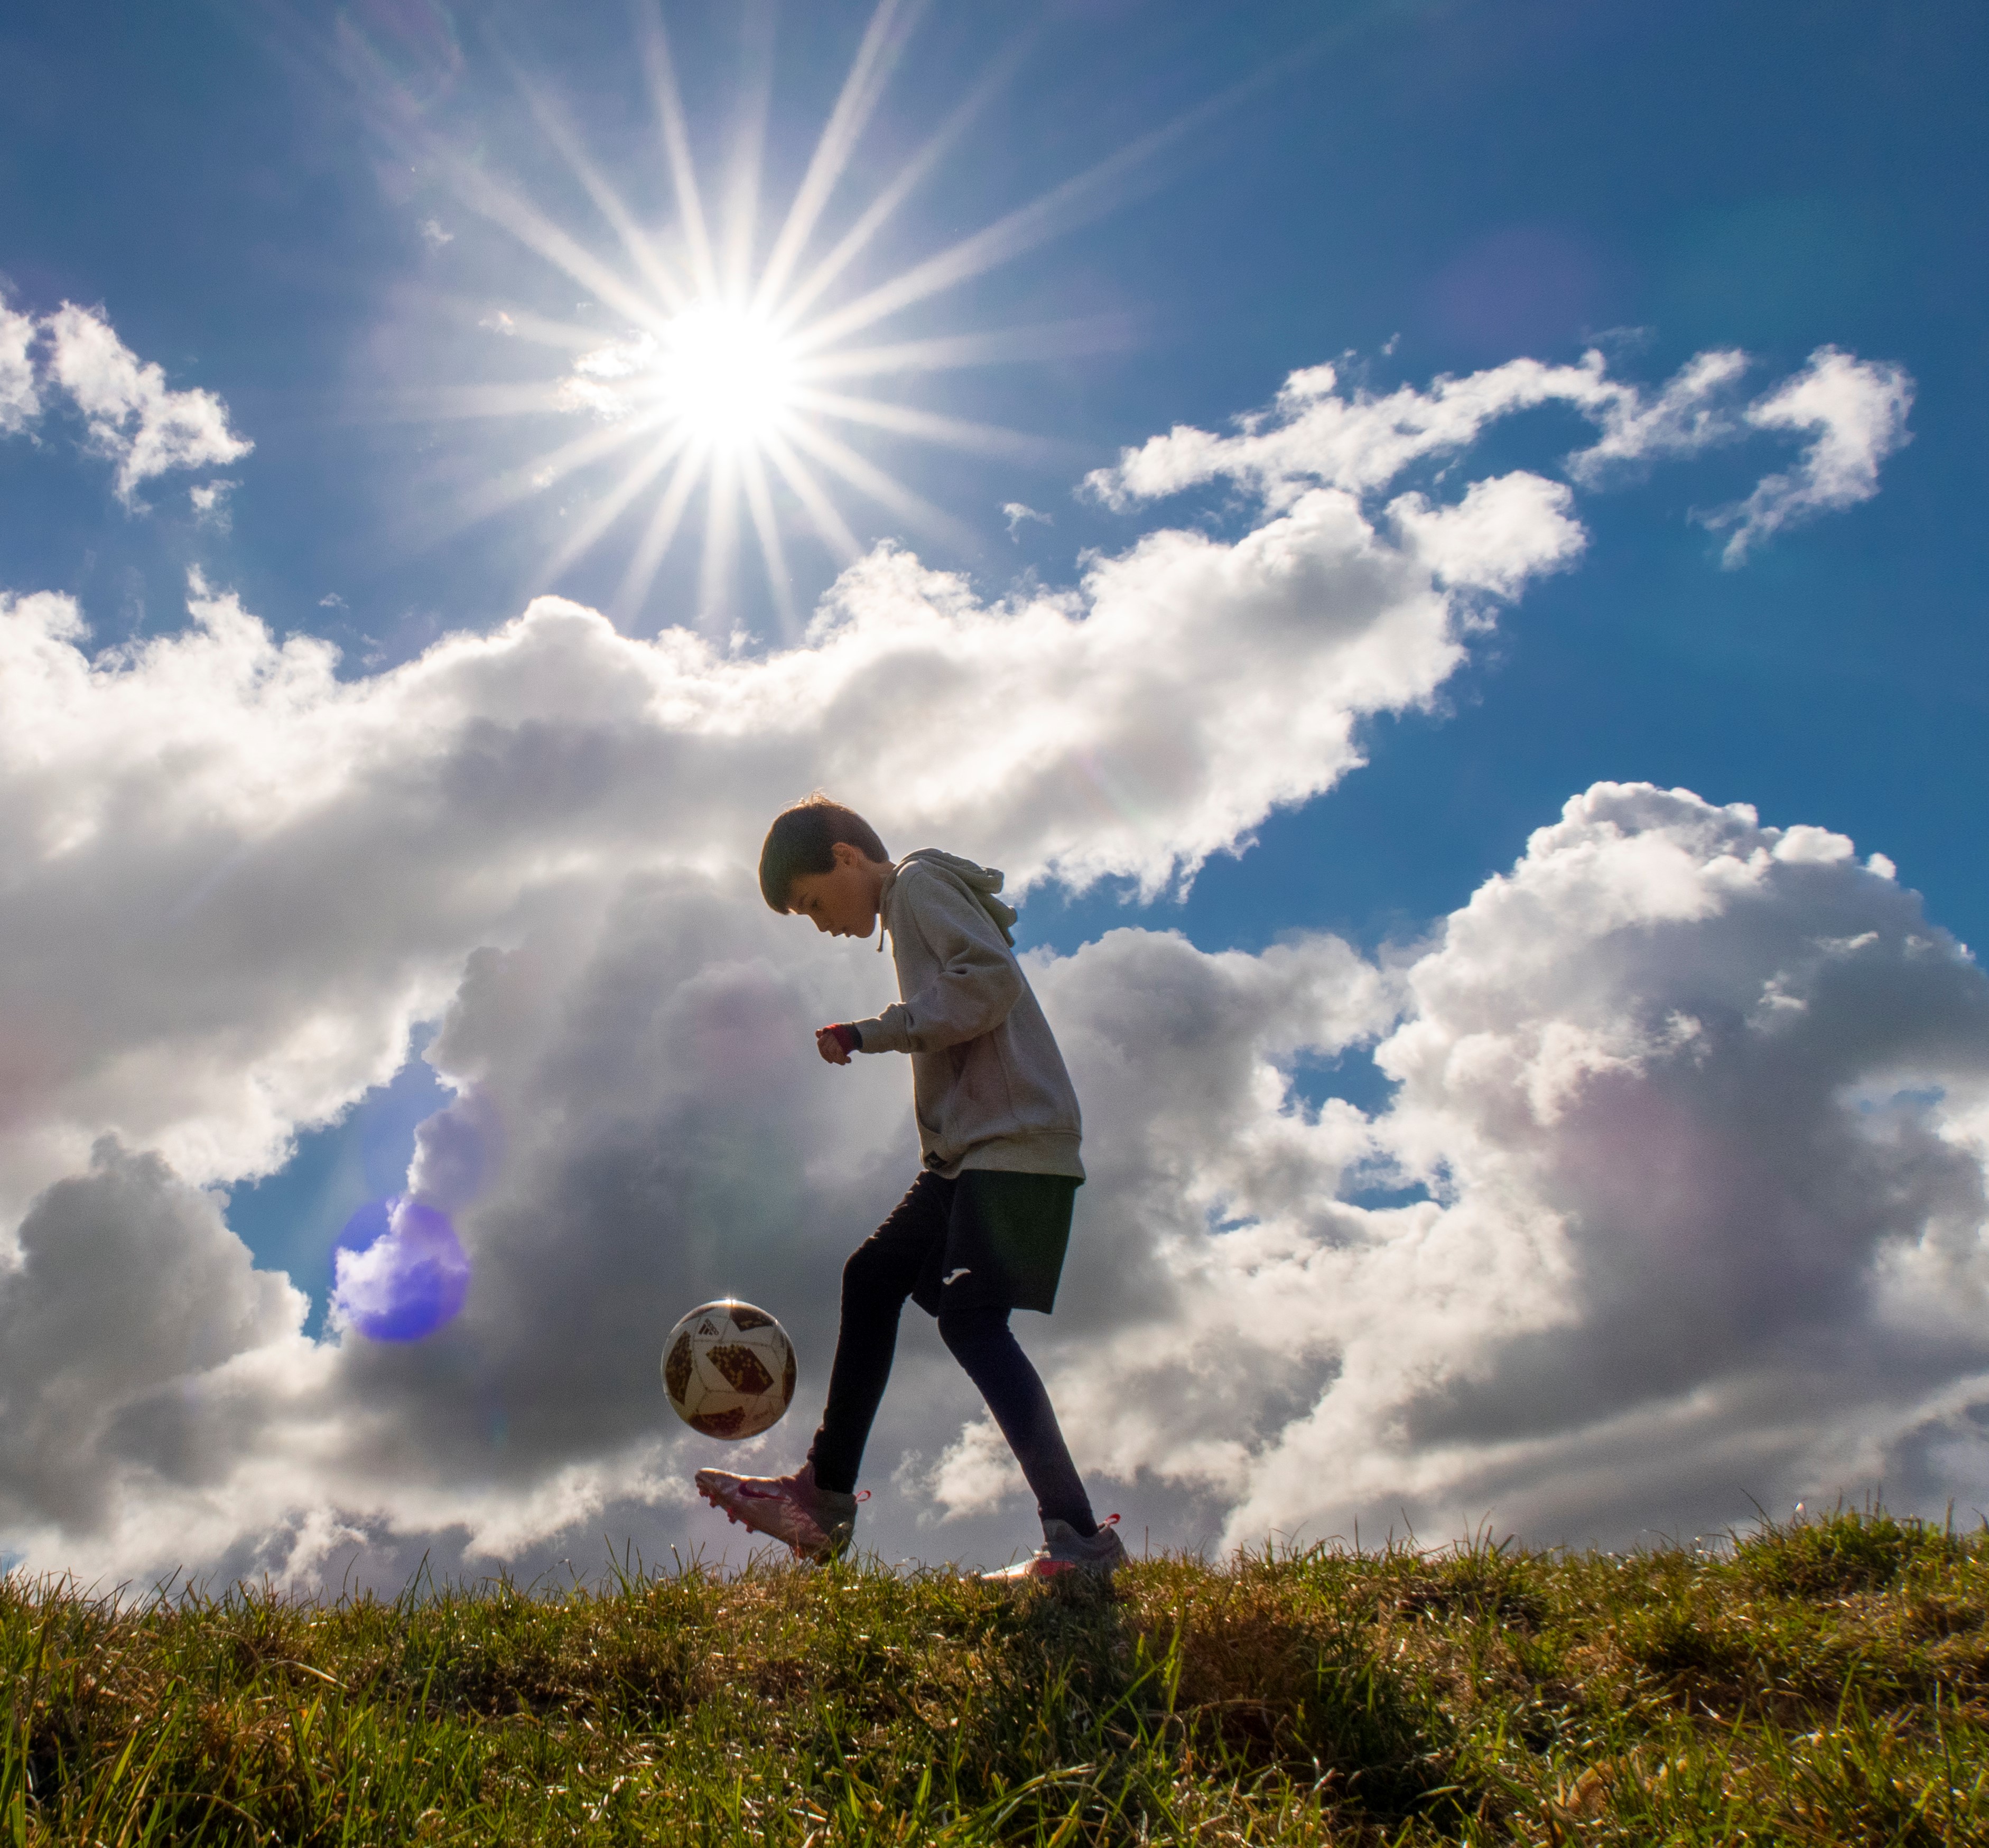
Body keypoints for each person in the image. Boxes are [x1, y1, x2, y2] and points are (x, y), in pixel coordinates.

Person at [695, 795, 1126, 1579]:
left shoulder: (920, 883)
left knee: (972, 1325)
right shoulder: (906, 907)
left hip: (1014, 1145)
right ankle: (821, 1501)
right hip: (965, 1159)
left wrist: (873, 1031)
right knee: (875, 1276)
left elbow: (988, 982)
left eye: (815, 901)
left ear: (847, 855)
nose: (822, 924)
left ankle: (1080, 1540)